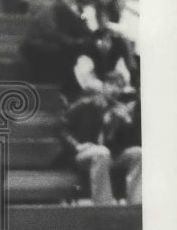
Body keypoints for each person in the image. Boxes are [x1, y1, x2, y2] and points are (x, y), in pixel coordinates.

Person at [61, 72, 142, 205]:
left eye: (119, 86)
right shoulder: (85, 104)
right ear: (104, 86)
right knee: (102, 152)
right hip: (83, 154)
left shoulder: (120, 110)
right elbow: (61, 127)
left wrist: (124, 124)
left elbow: (124, 144)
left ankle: (136, 204)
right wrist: (76, 145)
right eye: (111, 84)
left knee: (138, 153)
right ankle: (104, 205)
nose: (114, 89)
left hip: (109, 154)